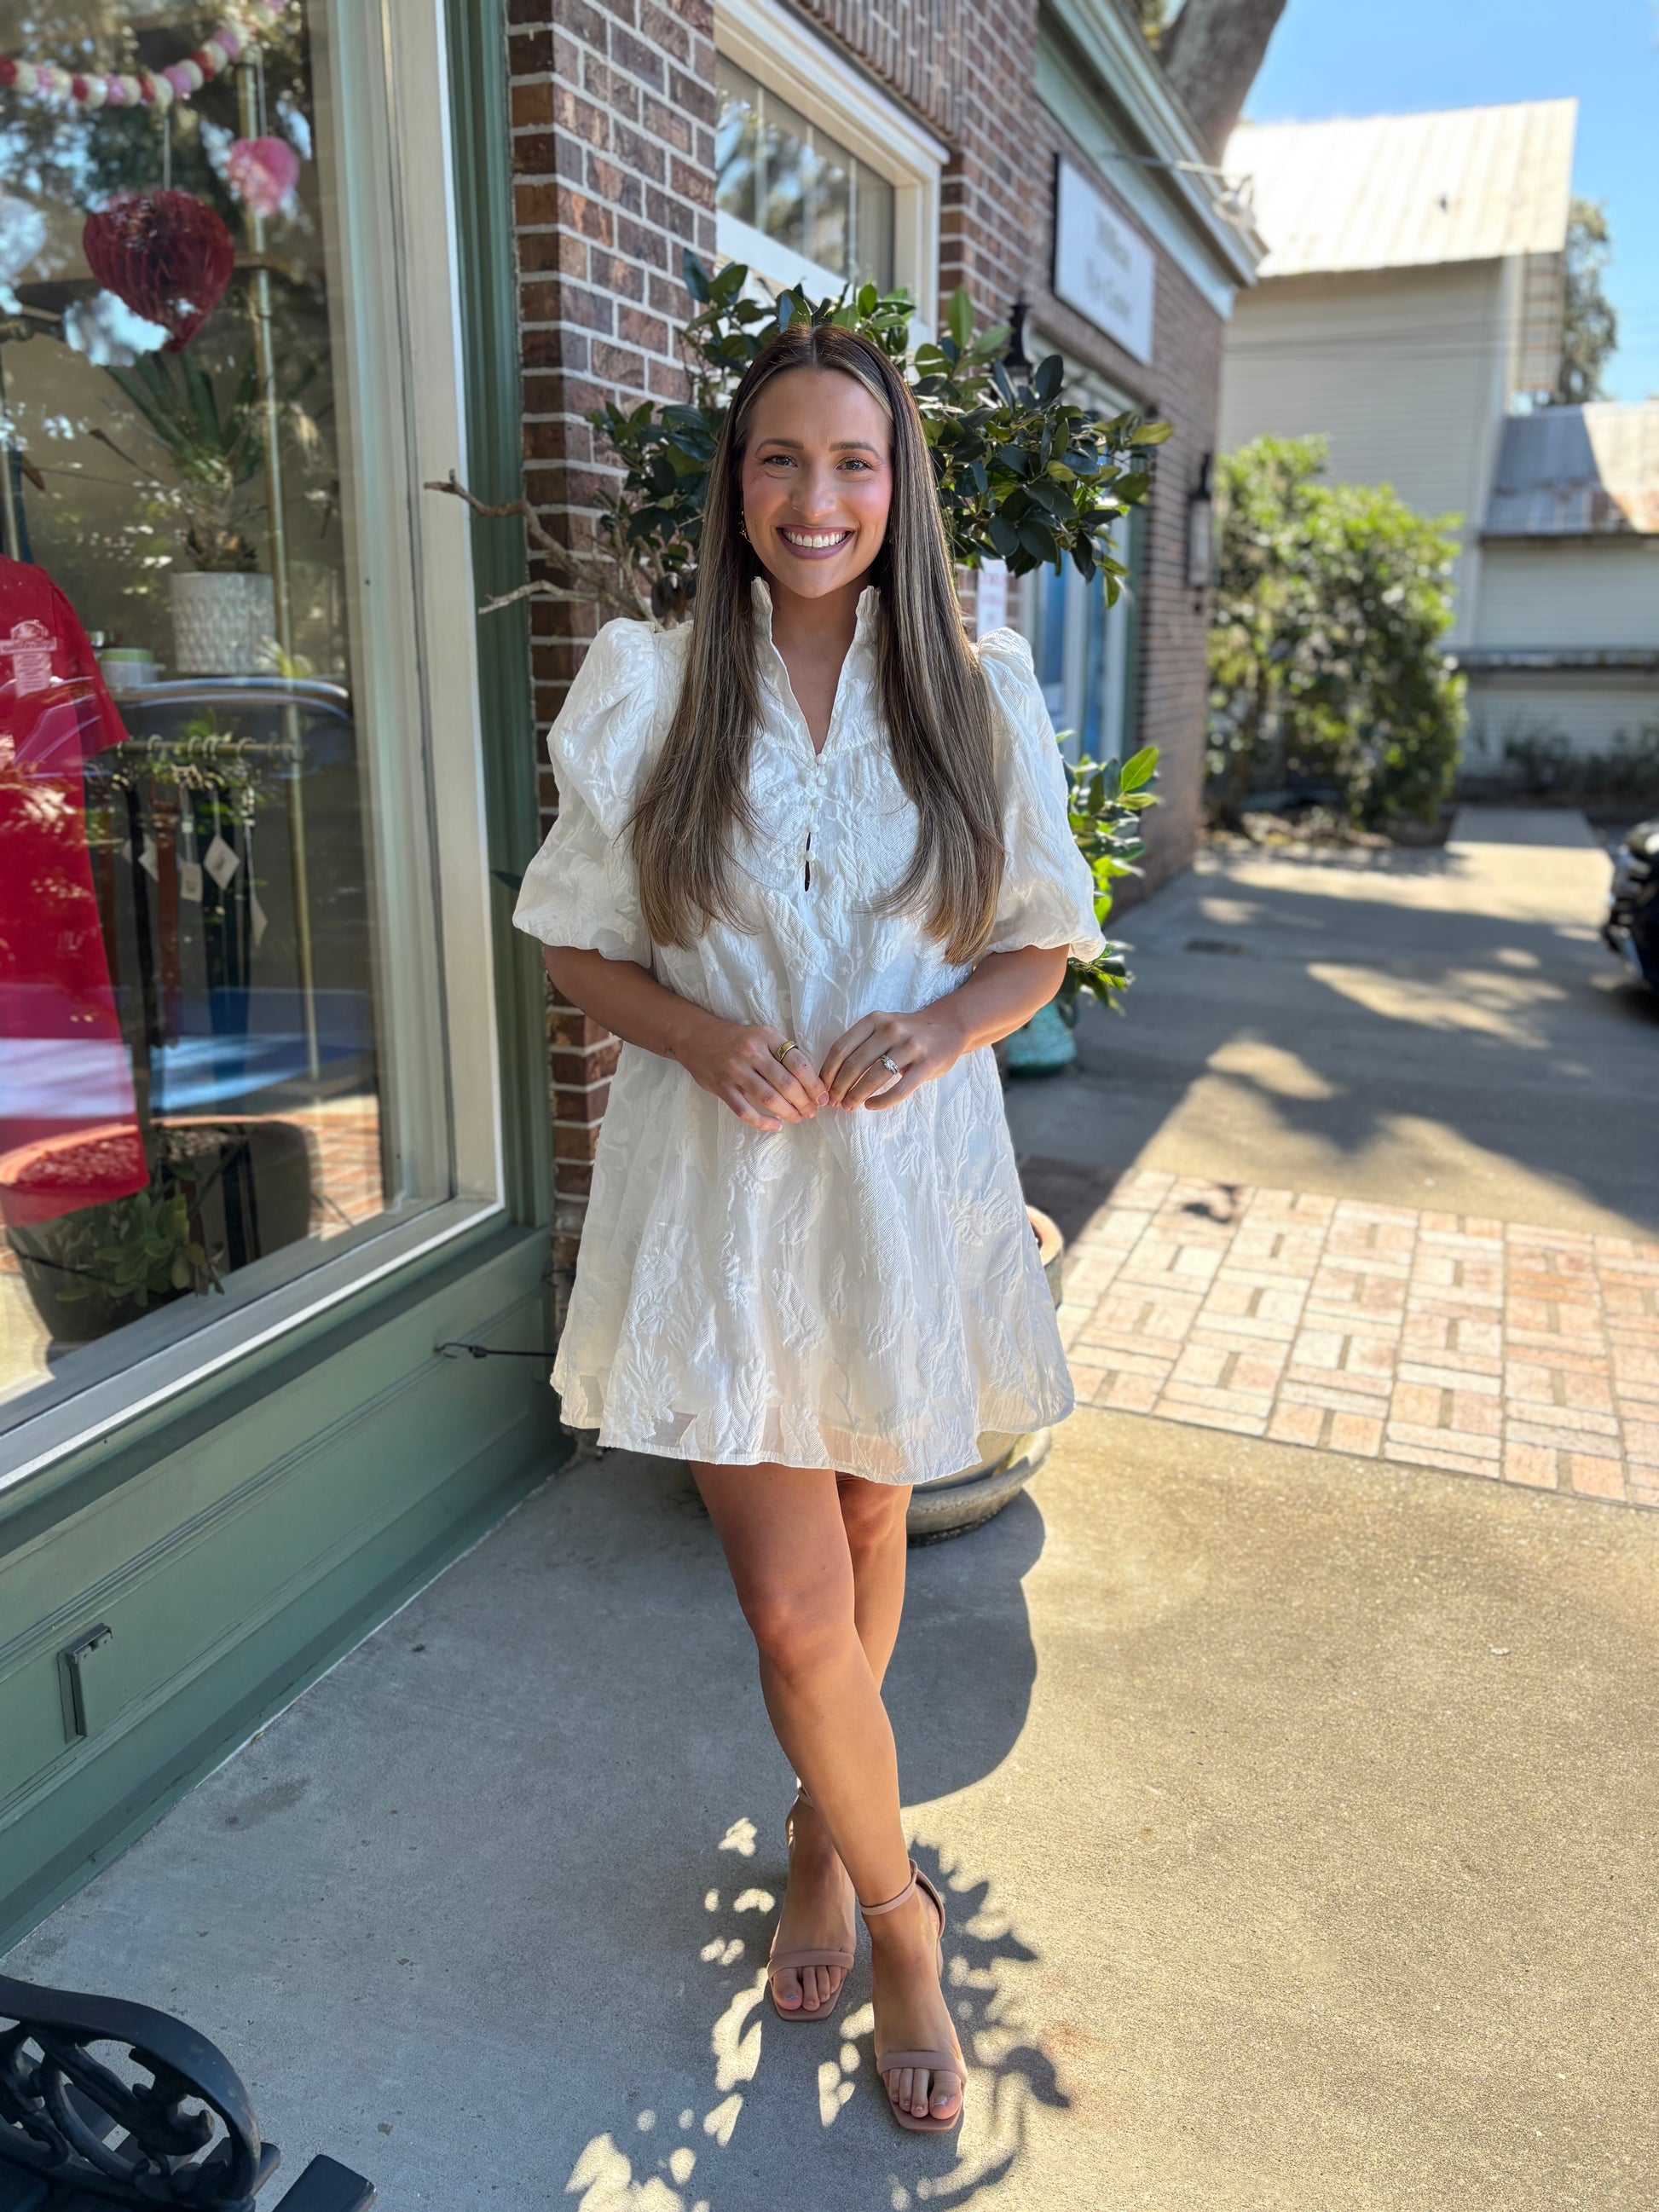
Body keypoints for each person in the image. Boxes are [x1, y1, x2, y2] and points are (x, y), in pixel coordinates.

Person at [512, 321, 1102, 2135]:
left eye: (853, 463)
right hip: (724, 1194)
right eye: (782, 459)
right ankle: (907, 1916)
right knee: (789, 1607)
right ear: (736, 484)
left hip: (904, 1185)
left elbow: (1041, 932)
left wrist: (940, 1023)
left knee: (866, 1515)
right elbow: (571, 936)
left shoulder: (975, 690)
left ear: (898, 484)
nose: (817, 497)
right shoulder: (655, 678)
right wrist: (699, 1031)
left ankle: (821, 1838)